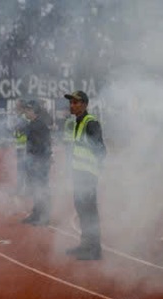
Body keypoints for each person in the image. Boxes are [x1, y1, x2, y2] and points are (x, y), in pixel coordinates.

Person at [63, 91, 106, 260]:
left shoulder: (90, 123)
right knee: (82, 209)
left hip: (87, 176)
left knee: (89, 211)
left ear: (85, 105)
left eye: (76, 102)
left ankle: (94, 250)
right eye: (71, 102)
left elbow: (101, 150)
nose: (72, 105)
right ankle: (86, 245)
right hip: (79, 175)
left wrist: (94, 172)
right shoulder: (78, 122)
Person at [19, 99, 53, 226]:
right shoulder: (34, 124)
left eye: (28, 110)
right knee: (36, 188)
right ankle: (37, 213)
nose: (26, 112)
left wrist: (41, 160)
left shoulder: (38, 125)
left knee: (42, 188)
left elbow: (45, 144)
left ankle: (44, 216)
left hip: (40, 161)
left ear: (34, 111)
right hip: (34, 161)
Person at [11, 99, 29, 196]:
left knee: (23, 170)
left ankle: (23, 190)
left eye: (16, 105)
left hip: (24, 147)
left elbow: (22, 130)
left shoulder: (23, 118)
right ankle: (22, 189)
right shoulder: (19, 117)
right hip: (20, 147)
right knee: (22, 169)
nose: (14, 107)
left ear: (21, 108)